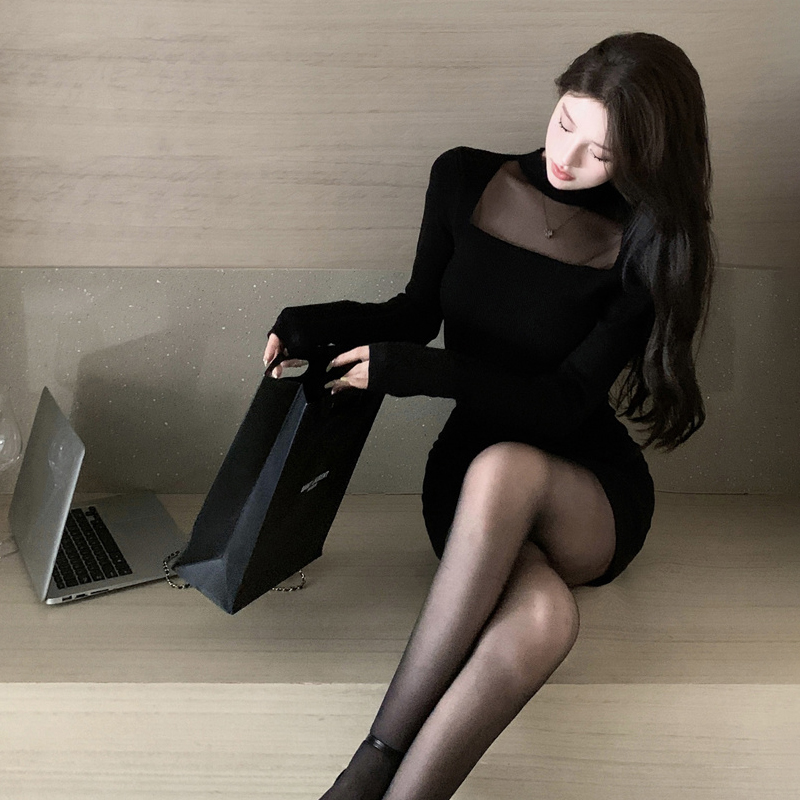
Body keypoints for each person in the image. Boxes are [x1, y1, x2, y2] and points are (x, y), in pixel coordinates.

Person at [263, 31, 715, 800]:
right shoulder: (463, 178)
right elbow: (413, 315)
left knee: (507, 466)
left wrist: (421, 374)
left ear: (643, 160)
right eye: (565, 123)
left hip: (583, 488)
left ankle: (369, 766)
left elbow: (563, 403)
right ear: (560, 94)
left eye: (601, 154)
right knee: (542, 620)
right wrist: (306, 325)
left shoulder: (644, 243)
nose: (567, 157)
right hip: (468, 487)